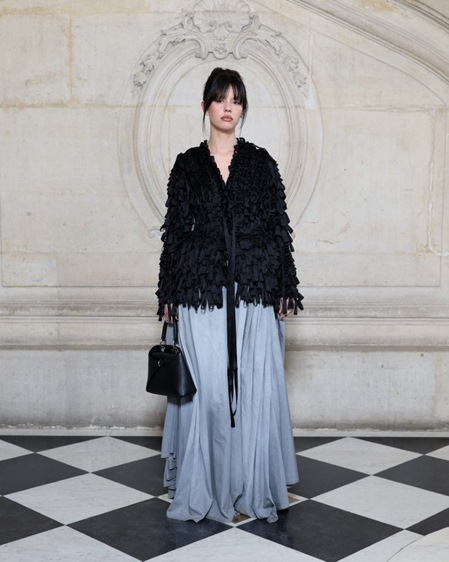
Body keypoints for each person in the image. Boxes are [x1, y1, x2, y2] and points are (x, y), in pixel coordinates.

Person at [156, 67, 303, 524]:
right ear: (205, 106)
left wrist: (286, 286)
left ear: (242, 109)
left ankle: (249, 486)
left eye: (236, 100)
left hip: (255, 288)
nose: (228, 107)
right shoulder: (187, 164)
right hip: (200, 290)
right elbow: (175, 233)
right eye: (220, 99)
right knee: (211, 396)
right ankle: (209, 485)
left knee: (254, 393)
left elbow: (278, 227)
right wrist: (167, 293)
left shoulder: (261, 163)